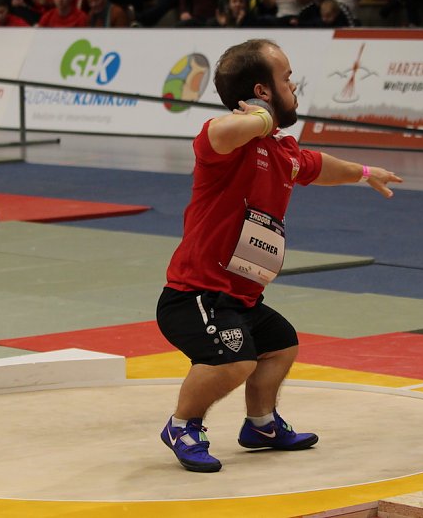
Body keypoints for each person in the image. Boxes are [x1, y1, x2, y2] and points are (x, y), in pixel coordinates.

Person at [157, 38, 402, 473]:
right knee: (234, 360)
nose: (295, 86)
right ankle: (182, 426)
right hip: (194, 294)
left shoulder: (281, 150)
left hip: (241, 296)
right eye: (286, 78)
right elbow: (217, 132)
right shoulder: (225, 144)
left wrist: (365, 173)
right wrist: (258, 117)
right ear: (262, 90)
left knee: (280, 345)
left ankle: (261, 424)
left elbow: (319, 165)